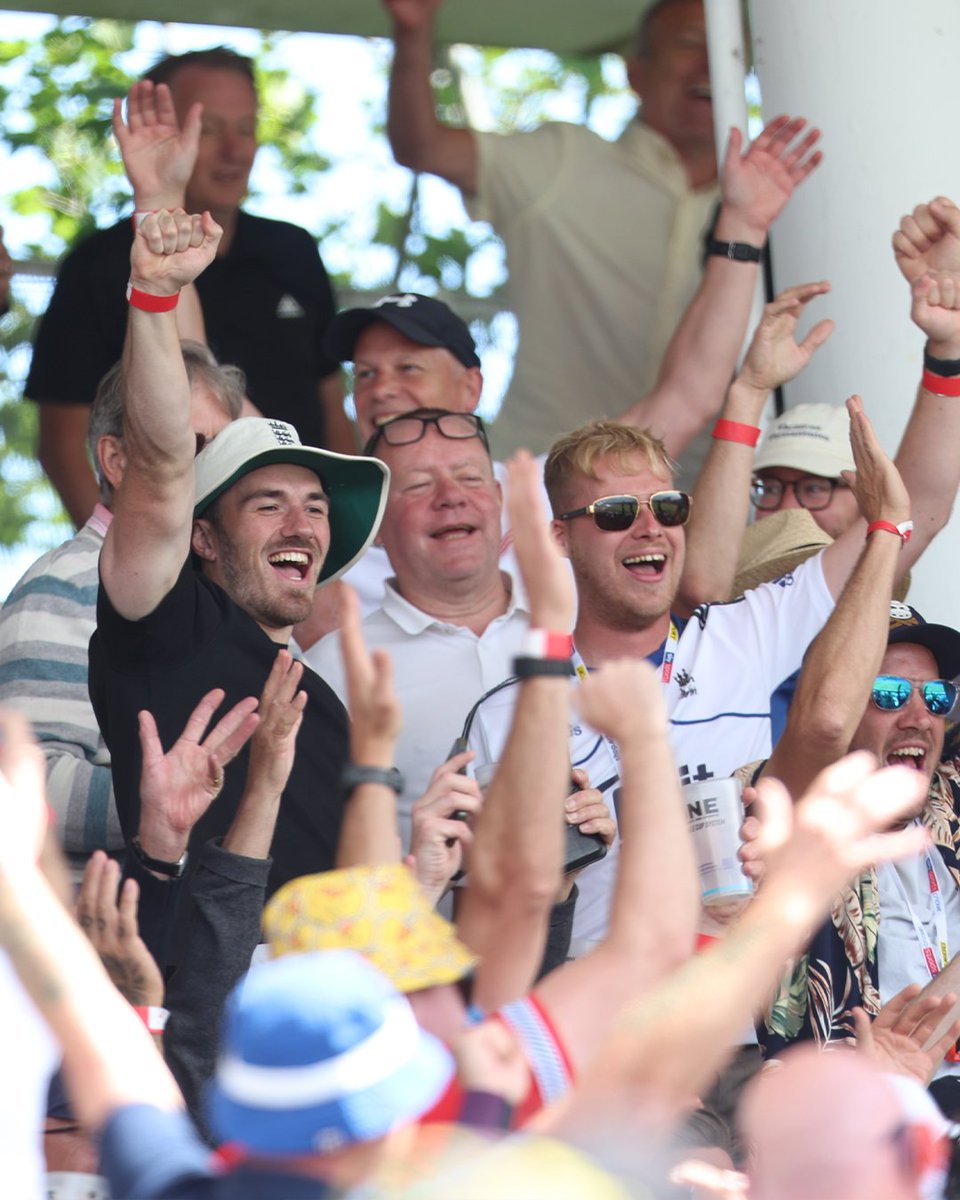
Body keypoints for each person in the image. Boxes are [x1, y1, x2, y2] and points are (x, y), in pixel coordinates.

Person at [86, 210, 388, 948]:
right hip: (193, 1004)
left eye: (316, 507)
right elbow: (161, 467)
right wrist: (154, 297)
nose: (301, 525)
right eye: (268, 504)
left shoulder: (325, 705)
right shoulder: (169, 625)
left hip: (323, 1002)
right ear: (202, 537)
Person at [383, 0, 822, 465]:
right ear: (635, 73)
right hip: (543, 474)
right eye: (690, 44)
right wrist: (412, 33)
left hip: (699, 485)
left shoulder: (778, 200)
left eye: (728, 51)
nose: (710, 63)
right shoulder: (561, 161)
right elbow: (422, 146)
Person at [27, 50, 352, 529]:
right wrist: (119, 553)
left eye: (246, 129)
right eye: (210, 129)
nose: (234, 150)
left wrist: (337, 543)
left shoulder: (293, 251)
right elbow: (62, 437)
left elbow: (331, 413)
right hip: (161, 539)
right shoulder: (99, 264)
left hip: (298, 545)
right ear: (165, 136)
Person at [0, 342, 241, 877]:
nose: (214, 468)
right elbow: (22, 784)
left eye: (225, 449)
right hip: (93, 924)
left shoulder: (220, 591)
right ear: (115, 460)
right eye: (188, 444)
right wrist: (183, 796)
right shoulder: (64, 585)